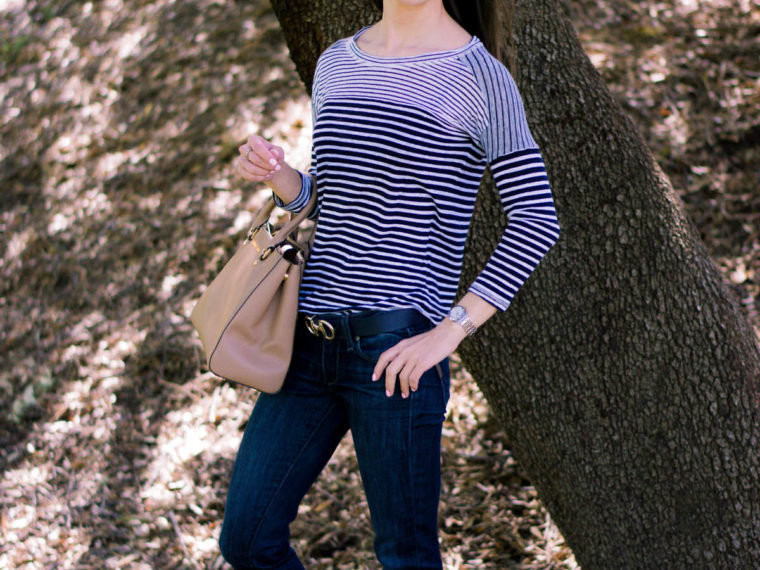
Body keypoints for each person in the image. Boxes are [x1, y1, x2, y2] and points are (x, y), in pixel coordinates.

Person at [219, 0, 560, 567]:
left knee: (406, 557)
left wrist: (449, 331)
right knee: (247, 539)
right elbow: (333, 198)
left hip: (395, 356)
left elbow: (535, 217)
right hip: (306, 344)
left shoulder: (481, 76)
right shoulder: (337, 62)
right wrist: (280, 177)